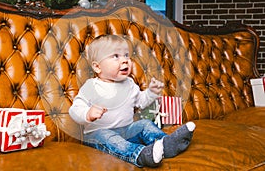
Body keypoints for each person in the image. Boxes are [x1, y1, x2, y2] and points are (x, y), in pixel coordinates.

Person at [69, 35, 196, 167]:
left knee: (145, 124)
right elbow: (75, 109)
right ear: (97, 67)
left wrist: (151, 92)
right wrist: (87, 114)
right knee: (109, 137)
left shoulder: (129, 83)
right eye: (116, 56)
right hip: (97, 135)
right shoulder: (91, 86)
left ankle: (166, 143)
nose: (125, 60)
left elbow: (141, 101)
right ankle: (140, 155)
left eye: (126, 55)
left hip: (127, 130)